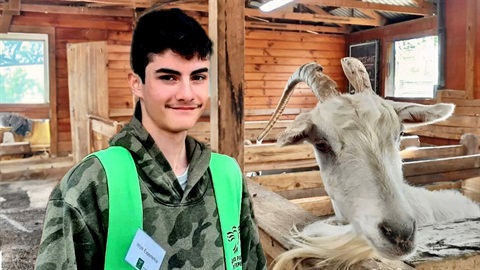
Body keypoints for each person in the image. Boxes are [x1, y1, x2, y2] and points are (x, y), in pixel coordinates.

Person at [36, 8, 267, 270]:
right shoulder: (90, 184)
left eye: (198, 77)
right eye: (168, 77)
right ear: (137, 83)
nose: (187, 93)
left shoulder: (228, 176)